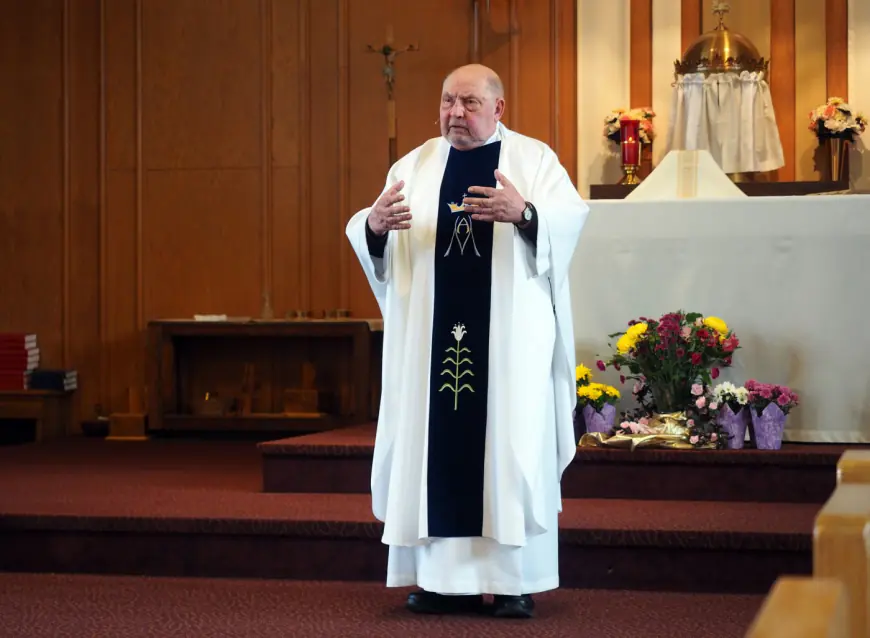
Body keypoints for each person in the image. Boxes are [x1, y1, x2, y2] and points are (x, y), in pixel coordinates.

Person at [345, 63, 589, 619]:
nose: (456, 113)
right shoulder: (415, 164)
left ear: (498, 108)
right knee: (434, 447)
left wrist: (525, 213)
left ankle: (512, 584)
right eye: (447, 101)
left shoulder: (534, 161)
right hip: (429, 339)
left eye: (470, 103)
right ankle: (437, 581)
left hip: (507, 347)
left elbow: (568, 221)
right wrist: (374, 228)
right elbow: (374, 228)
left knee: (507, 447)